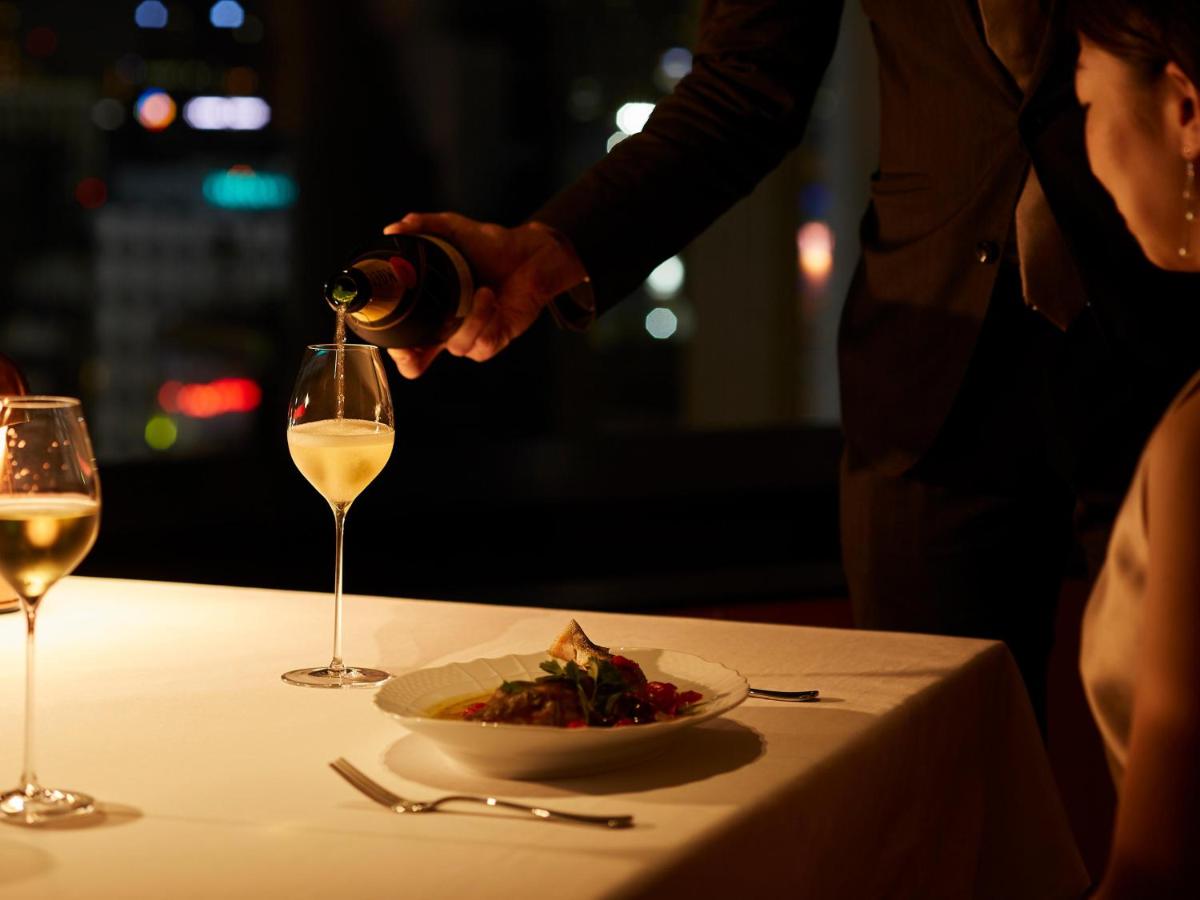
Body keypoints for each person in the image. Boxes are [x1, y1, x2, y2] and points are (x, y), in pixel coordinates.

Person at [381, 2, 1200, 727]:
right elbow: (743, 83)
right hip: (932, 369)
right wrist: (548, 250)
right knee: (933, 787)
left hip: (1170, 335)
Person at [1071, 0, 1200, 894]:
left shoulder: (1193, 445)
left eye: (1086, 102)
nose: (1084, 150)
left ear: (1185, 109)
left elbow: (1159, 868)